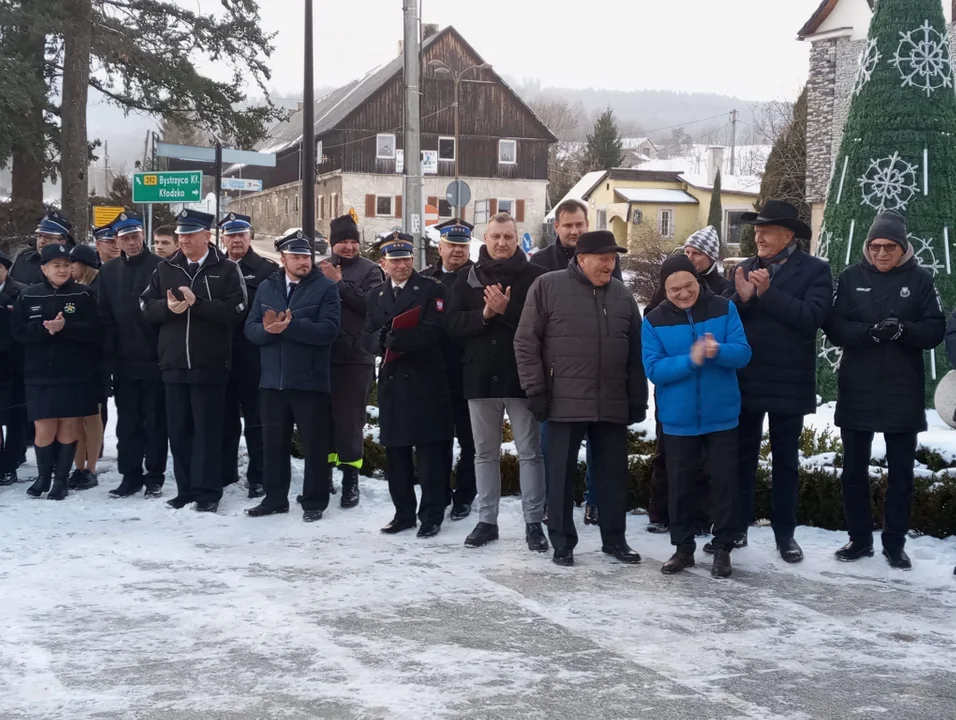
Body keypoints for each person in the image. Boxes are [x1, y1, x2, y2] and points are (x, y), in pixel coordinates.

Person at [515, 230, 648, 567]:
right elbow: (525, 342)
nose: (610, 264)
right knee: (559, 476)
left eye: (614, 257)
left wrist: (637, 397)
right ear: (582, 258)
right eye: (603, 257)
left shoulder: (622, 295)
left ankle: (615, 540)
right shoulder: (547, 286)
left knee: (614, 476)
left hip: (611, 401)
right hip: (563, 400)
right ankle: (562, 541)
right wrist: (536, 390)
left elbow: (636, 350)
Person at [828, 211, 944, 570]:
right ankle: (859, 539)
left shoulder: (921, 280)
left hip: (902, 390)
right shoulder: (850, 278)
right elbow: (833, 326)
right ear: (867, 246)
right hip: (858, 386)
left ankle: (895, 543)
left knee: (901, 474)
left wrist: (903, 330)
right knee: (853, 470)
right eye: (875, 246)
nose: (881, 253)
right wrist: (868, 333)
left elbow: (935, 330)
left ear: (902, 248)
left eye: (889, 247)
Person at [722, 200, 832, 563]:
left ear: (787, 235)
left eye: (766, 231)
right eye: (756, 230)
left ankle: (785, 535)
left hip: (789, 380)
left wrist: (768, 294)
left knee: (786, 461)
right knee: (742, 457)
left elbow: (811, 317)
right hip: (748, 377)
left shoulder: (816, 270)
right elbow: (723, 313)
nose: (759, 237)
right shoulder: (745, 268)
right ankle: (737, 528)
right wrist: (741, 297)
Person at [643, 254, 751, 578]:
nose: (682, 293)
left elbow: (744, 353)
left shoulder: (723, 308)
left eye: (688, 285)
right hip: (678, 418)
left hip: (722, 414)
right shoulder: (653, 320)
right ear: (664, 289)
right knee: (680, 486)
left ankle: (723, 549)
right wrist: (690, 360)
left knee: (724, 484)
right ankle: (683, 549)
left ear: (697, 280)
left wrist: (718, 350)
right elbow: (654, 369)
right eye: (674, 289)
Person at [445, 213, 549, 551]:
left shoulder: (537, 278)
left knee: (530, 453)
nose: (501, 243)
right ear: (485, 240)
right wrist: (485, 315)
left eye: (508, 236)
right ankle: (486, 520)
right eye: (495, 237)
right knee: (483, 454)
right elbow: (452, 326)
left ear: (517, 238)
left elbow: (544, 326)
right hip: (479, 378)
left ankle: (534, 522)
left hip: (521, 377)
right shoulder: (466, 278)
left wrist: (506, 311)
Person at [140, 209, 247, 513]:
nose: (184, 240)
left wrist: (197, 305)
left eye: (190, 234)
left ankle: (208, 492)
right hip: (173, 363)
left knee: (207, 431)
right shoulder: (164, 269)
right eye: (181, 235)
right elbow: (146, 305)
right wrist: (167, 308)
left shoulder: (225, 269)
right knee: (179, 430)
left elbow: (237, 309)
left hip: (209, 364)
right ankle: (185, 489)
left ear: (206, 237)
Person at [533, 199, 621, 524]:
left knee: (600, 443)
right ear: (556, 227)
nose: (574, 230)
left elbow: (615, 308)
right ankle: (554, 501)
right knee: (553, 449)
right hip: (558, 373)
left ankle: (594, 500)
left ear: (587, 224)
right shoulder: (541, 263)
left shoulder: (606, 256)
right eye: (567, 225)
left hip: (598, 370)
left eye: (579, 224)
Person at [244, 231, 341, 522]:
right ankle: (275, 498)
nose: (303, 262)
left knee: (314, 445)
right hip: (273, 381)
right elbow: (249, 327)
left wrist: (291, 326)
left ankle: (314, 501)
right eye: (296, 257)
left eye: (306, 256)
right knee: (273, 443)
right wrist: (267, 332)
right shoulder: (267, 287)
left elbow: (329, 330)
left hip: (309, 380)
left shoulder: (325, 288)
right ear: (283, 259)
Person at [364, 232, 452, 537]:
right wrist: (380, 341)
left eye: (406, 259)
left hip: (425, 381)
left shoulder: (430, 289)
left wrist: (397, 339)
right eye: (395, 260)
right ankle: (403, 513)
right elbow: (366, 335)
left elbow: (434, 330)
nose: (401, 265)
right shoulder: (376, 295)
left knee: (428, 456)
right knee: (396, 454)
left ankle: (431, 516)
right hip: (392, 383)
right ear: (383, 263)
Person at [645, 226, 728, 535]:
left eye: (697, 254)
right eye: (688, 252)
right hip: (674, 384)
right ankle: (660, 511)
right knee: (667, 450)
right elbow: (652, 322)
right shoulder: (667, 285)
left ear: (711, 258)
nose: (691, 258)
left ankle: (701, 516)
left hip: (709, 387)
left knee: (705, 458)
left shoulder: (721, 289)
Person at [11, 243, 98, 501]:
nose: (62, 269)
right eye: (56, 265)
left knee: (68, 427)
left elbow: (94, 331)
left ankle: (61, 480)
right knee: (44, 428)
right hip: (40, 374)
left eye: (66, 265)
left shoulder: (84, 294)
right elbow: (19, 333)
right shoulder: (29, 295)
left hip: (73, 372)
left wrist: (65, 328)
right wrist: (45, 330)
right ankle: (43, 477)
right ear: (44, 269)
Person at [99, 211, 169, 499]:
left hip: (156, 360)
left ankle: (154, 476)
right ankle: (130, 476)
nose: (131, 242)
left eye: (135, 236)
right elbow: (104, 318)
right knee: (127, 423)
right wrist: (108, 361)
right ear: (117, 241)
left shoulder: (162, 266)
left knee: (155, 422)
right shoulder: (108, 271)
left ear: (143, 236)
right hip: (124, 362)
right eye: (125, 237)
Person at [318, 212, 384, 508]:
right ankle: (326, 474)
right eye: (342, 242)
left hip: (356, 357)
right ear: (333, 244)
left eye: (353, 241)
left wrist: (339, 283)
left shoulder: (370, 271)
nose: (348, 247)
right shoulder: (320, 267)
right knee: (325, 420)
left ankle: (350, 479)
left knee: (350, 422)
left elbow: (372, 305)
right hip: (323, 356)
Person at [220, 212, 278, 498]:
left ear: (250, 237)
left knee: (256, 418)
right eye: (230, 236)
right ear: (223, 240)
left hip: (254, 354)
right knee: (225, 417)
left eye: (241, 235)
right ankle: (225, 471)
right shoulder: (215, 268)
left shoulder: (266, 270)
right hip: (220, 353)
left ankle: (259, 475)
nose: (236, 241)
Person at [422, 219, 477, 520]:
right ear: (439, 246)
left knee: (470, 440)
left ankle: (465, 495)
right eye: (451, 244)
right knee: (437, 438)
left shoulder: (479, 278)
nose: (457, 250)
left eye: (462, 245)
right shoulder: (425, 280)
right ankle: (439, 491)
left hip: (467, 371)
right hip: (433, 373)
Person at [67, 244, 105, 491]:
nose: (69, 269)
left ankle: (90, 467)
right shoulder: (75, 291)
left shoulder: (98, 289)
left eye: (72, 264)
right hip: (74, 361)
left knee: (92, 415)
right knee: (77, 416)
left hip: (95, 360)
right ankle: (78, 466)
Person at [0, 250, 27, 485]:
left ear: (6, 269)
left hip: (15, 364)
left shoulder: (20, 292)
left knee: (16, 417)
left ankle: (11, 462)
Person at [11, 210, 76, 286]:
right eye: (39, 236)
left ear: (62, 242)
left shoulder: (74, 262)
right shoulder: (24, 259)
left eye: (48, 237)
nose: (41, 241)